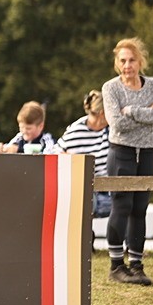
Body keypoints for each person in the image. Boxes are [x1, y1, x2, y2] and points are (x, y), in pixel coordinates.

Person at [101, 37, 153, 286]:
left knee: (140, 208)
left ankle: (136, 264)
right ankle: (117, 265)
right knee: (122, 206)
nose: (128, 65)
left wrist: (131, 110)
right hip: (121, 152)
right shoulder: (111, 88)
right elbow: (116, 123)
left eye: (132, 60)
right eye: (123, 61)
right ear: (117, 63)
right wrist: (146, 110)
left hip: (147, 151)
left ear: (140, 62)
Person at [51, 90, 111, 218]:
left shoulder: (112, 131)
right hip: (84, 190)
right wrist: (66, 158)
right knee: (85, 202)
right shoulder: (76, 131)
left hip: (109, 188)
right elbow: (55, 151)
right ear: (102, 114)